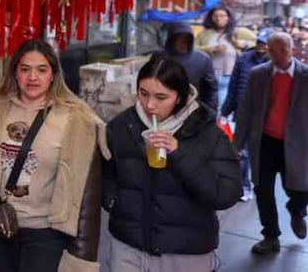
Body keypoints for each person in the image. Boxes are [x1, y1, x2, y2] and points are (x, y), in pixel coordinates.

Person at [0, 39, 106, 272]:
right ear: (15, 73)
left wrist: (82, 257)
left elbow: (86, 194)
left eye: (41, 70)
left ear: (53, 74)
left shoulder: (77, 119)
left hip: (46, 234)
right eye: (25, 69)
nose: (33, 77)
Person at [103, 54, 242, 271]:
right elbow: (106, 176)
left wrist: (179, 153)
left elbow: (226, 194)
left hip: (186, 252)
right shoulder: (121, 127)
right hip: (127, 246)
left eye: (161, 97)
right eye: (143, 93)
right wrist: (115, 202)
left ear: (179, 97)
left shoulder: (207, 133)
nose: (150, 105)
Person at [233, 32, 308, 255]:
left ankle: (296, 210)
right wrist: (236, 144)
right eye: (273, 51)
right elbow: (245, 109)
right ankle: (270, 235)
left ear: (292, 50)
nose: (278, 56)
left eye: (283, 50)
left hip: (297, 143)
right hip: (264, 141)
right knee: (262, 189)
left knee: (300, 189)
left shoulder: (305, 75)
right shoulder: (259, 74)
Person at [221, 28, 275, 201]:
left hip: (266, 118)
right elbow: (233, 86)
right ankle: (244, 185)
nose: (261, 46)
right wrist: (225, 111)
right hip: (242, 113)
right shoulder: (244, 59)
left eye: (265, 43)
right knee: (241, 152)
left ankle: (259, 184)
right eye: (259, 42)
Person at [164, 21, 218, 113]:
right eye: (178, 38)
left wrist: (211, 111)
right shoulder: (161, 58)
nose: (182, 42)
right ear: (172, 39)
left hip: (194, 108)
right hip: (166, 108)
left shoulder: (202, 59)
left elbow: (211, 89)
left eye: (186, 39)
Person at [196, 6, 238, 80]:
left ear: (228, 18)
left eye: (222, 16)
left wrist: (244, 44)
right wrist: (212, 48)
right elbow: (193, 48)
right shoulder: (204, 34)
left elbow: (256, 43)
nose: (218, 19)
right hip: (209, 75)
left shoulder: (238, 32)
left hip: (231, 76)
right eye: (215, 16)